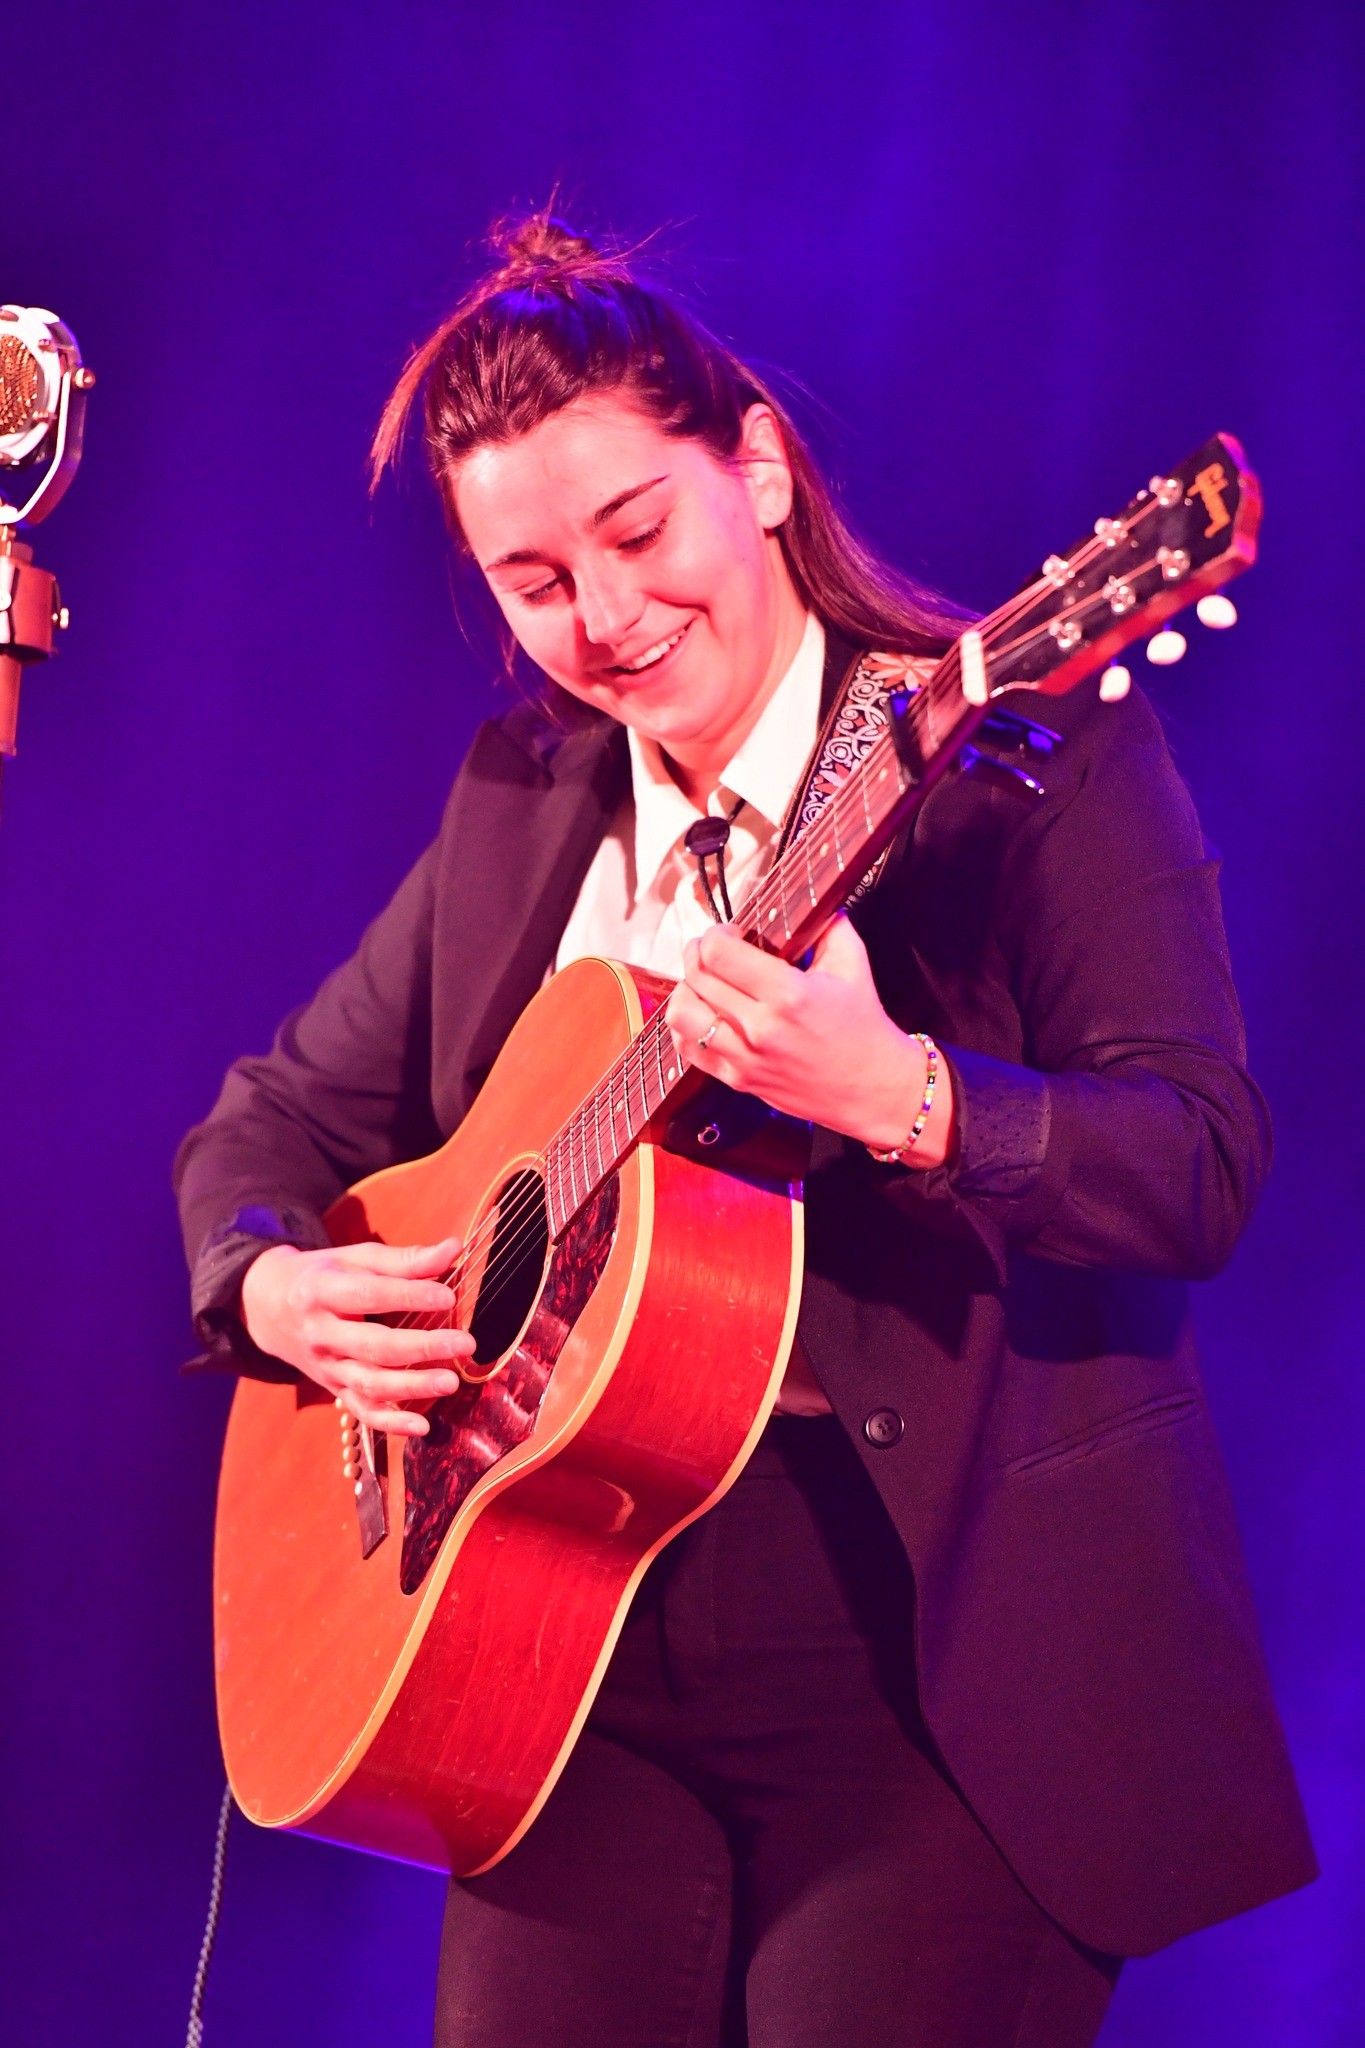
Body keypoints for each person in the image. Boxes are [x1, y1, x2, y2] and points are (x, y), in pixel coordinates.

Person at [175, 213, 1316, 2048]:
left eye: (637, 532)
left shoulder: (1030, 768)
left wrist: (903, 1098)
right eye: (534, 581)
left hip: (941, 1668)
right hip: (564, 1651)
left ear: (760, 469)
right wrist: (275, 1290)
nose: (603, 619)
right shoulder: (521, 802)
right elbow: (269, 1121)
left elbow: (1197, 1164)